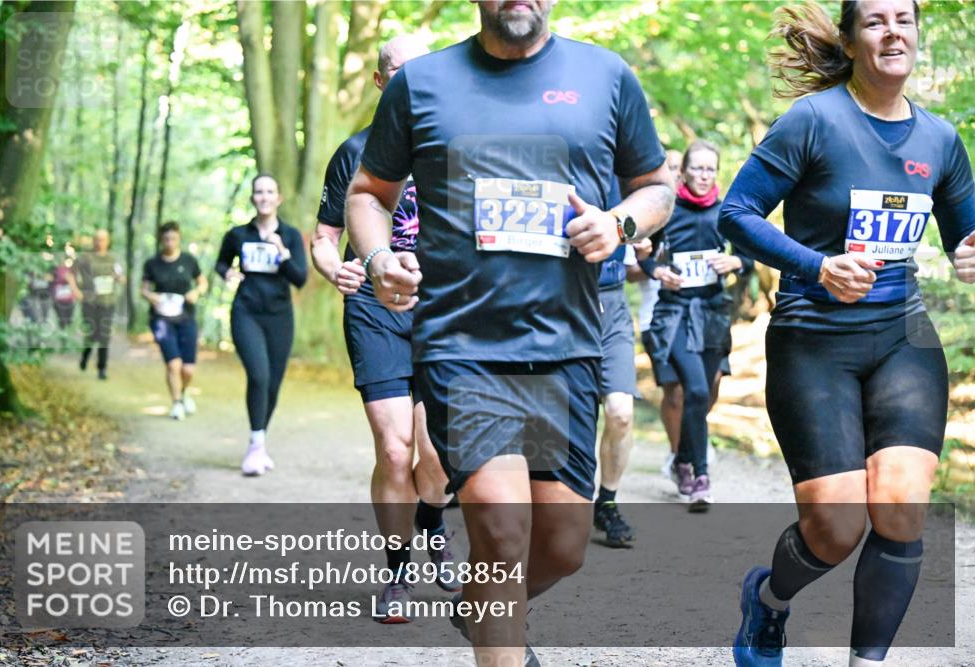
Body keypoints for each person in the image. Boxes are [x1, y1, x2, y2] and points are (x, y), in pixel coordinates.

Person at [345, 1, 674, 663]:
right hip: (462, 346)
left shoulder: (605, 76)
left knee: (561, 546)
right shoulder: (423, 82)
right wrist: (379, 257)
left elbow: (656, 187)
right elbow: (368, 192)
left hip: (567, 349)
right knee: (502, 527)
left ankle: (483, 610)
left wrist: (621, 224)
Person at [719, 1, 975, 665]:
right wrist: (816, 265)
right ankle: (769, 600)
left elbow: (965, 237)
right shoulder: (814, 120)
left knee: (900, 510)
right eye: (876, 20)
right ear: (851, 39)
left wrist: (970, 252)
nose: (894, 32)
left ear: (917, 34)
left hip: (902, 336)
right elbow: (737, 214)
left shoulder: (941, 141)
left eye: (905, 19)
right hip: (813, 337)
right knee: (834, 528)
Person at [311, 34, 458, 621]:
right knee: (395, 450)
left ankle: (434, 521)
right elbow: (323, 239)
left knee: (436, 455)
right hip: (376, 307)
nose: (408, 80)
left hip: (445, 308)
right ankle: (398, 573)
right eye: (397, 71)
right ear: (380, 82)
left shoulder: (456, 145)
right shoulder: (356, 152)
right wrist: (336, 270)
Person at [642, 140, 751, 511]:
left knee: (706, 392)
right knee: (695, 391)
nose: (703, 176)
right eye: (697, 168)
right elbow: (643, 256)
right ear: (684, 170)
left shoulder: (727, 213)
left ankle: (681, 461)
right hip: (673, 315)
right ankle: (699, 474)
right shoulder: (668, 211)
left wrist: (735, 264)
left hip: (712, 313)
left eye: (710, 169)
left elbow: (749, 256)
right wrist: (656, 270)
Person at [214, 174, 308, 475]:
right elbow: (220, 263)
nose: (264, 196)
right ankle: (255, 448)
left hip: (279, 316)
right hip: (247, 312)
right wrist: (228, 273)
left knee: (274, 384)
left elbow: (300, 278)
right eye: (259, 192)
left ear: (278, 198)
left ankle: (259, 443)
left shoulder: (290, 235)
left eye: (270, 191)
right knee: (259, 375)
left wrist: (281, 251)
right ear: (253, 198)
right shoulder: (238, 235)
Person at [593, 176, 654, 548]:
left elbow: (651, 212)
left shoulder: (627, 171)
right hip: (559, 298)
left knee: (620, 411)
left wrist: (642, 240)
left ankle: (607, 502)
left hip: (611, 300)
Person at [141, 221, 207, 421]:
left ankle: (184, 391)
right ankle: (177, 402)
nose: (170, 242)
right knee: (173, 364)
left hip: (186, 317)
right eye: (166, 239)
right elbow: (143, 289)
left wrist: (196, 292)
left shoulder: (189, 261)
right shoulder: (152, 264)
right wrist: (151, 296)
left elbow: (202, 282)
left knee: (187, 368)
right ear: (161, 240)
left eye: (173, 238)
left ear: (179, 239)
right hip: (161, 319)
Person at [69, 229, 124, 380]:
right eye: (97, 239)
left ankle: (102, 369)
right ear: (93, 241)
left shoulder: (113, 259)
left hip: (108, 303)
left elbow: (122, 278)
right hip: (90, 303)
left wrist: (118, 277)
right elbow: (70, 273)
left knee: (104, 336)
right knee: (91, 334)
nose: (99, 243)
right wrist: (76, 291)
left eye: (103, 239)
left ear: (108, 241)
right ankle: (85, 357)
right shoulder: (85, 257)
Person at [51, 250, 77, 330]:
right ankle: (62, 337)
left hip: (70, 300)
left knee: (69, 321)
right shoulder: (55, 269)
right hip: (59, 300)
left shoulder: (72, 270)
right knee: (62, 321)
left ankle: (67, 336)